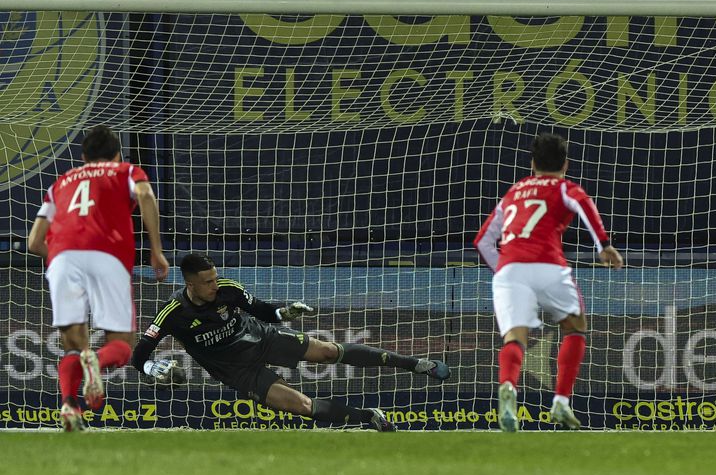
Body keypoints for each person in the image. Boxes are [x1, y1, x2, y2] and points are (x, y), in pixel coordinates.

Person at [131, 253, 451, 432]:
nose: (215, 285)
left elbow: (263, 311)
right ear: (190, 284)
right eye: (207, 282)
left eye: (215, 278)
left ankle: (417, 365)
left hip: (260, 339)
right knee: (301, 406)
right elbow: (140, 353)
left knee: (328, 351)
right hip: (237, 371)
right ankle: (369, 417)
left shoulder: (227, 288)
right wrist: (148, 368)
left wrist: (285, 312)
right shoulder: (172, 312)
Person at [473, 132, 623, 432]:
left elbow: (482, 241)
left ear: (532, 163)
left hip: (510, 269)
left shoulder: (514, 191)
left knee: (515, 338)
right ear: (565, 164)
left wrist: (503, 271)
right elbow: (585, 206)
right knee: (575, 326)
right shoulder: (564, 187)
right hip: (548, 264)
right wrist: (603, 245)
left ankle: (508, 388)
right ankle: (561, 401)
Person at [26, 125, 170, 432]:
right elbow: (145, 194)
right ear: (117, 154)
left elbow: (34, 243)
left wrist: (64, 256)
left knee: (72, 346)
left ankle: (69, 405)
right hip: (107, 254)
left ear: (82, 156)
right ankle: (96, 362)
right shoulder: (127, 170)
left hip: (62, 257)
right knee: (122, 345)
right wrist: (156, 250)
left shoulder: (61, 182)